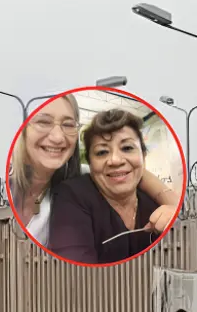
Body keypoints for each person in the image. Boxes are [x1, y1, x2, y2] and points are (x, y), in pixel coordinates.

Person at [10, 96, 179, 247]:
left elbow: (135, 172)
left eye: (68, 124)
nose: (57, 137)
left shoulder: (84, 173)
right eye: (43, 122)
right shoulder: (6, 188)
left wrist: (173, 204)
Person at [48, 108, 173, 264]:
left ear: (143, 156)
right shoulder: (72, 196)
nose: (115, 160)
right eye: (101, 152)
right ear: (90, 163)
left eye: (127, 148)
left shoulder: (155, 204)